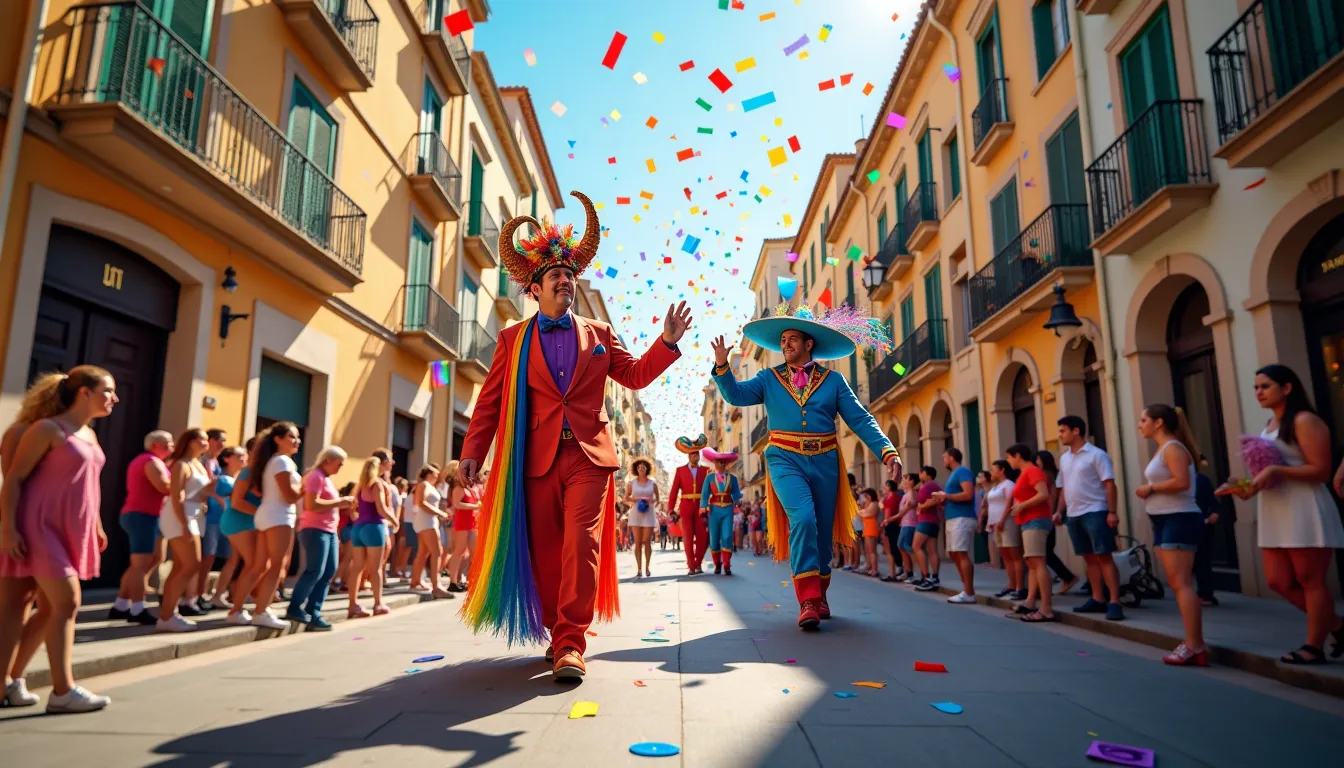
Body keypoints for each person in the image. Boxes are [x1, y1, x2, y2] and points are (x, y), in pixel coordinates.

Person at [457, 191, 689, 681]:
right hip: (533, 458)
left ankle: (569, 643)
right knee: (544, 550)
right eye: (555, 276)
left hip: (589, 456)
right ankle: (554, 628)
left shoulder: (600, 333)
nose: (565, 281)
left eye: (570, 276)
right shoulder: (511, 339)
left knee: (580, 544)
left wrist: (666, 343)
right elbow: (491, 402)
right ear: (535, 289)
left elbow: (635, 375)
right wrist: (473, 450)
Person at [710, 302, 900, 630]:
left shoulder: (834, 381)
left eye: (792, 339)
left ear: (808, 344)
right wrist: (722, 366)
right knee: (804, 518)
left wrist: (887, 450)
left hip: (826, 460)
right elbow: (737, 396)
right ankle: (808, 599)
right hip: (784, 458)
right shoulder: (767, 379)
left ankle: (821, 594)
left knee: (822, 532)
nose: (785, 345)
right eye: (782, 340)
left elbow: (860, 418)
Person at [0, 366, 117, 713]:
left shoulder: (90, 434)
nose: (115, 398)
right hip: (35, 526)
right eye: (107, 391)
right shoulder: (45, 429)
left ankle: (11, 681)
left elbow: (88, 483)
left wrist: (95, 523)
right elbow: (15, 479)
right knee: (64, 601)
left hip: (70, 529)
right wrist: (8, 528)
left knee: (43, 607)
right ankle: (63, 691)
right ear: (84, 392)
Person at [1218, 365, 1344, 664]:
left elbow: (1321, 470)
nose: (1259, 392)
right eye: (1256, 387)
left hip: (1304, 506)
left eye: (1265, 386)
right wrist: (1244, 486)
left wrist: (1273, 470)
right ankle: (1338, 626)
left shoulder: (1305, 420)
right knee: (1277, 580)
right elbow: (1269, 473)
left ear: (1287, 388)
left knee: (1310, 579)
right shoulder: (1269, 424)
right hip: (1275, 507)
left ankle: (1313, 646)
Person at [1136, 404, 1209, 665]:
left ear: (1158, 423)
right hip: (1165, 519)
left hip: (1179, 517)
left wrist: (1151, 488)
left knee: (1182, 584)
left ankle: (1195, 645)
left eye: (1143, 420)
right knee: (1178, 584)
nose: (1139, 424)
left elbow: (1182, 482)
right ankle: (1191, 642)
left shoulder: (1174, 448)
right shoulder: (1164, 449)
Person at [229, 422, 302, 630]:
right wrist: (306, 487)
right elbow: (289, 497)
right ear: (278, 440)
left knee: (259, 565)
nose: (297, 441)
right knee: (276, 565)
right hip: (279, 515)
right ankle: (261, 611)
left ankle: (237, 611)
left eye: (297, 437)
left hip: (267, 515)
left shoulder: (272, 461)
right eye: (292, 436)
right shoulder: (283, 462)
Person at [1056, 416, 1123, 622]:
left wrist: (1112, 511)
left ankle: (1115, 602)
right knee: (1088, 557)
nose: (1060, 435)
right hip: (1074, 513)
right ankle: (1097, 598)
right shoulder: (1065, 458)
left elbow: (1110, 485)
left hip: (1095, 510)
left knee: (1104, 556)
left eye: (1063, 431)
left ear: (1076, 431)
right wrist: (1059, 511)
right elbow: (1064, 487)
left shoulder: (1097, 455)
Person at [286, 447, 353, 630]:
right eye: (339, 463)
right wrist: (340, 502)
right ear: (328, 460)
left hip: (329, 530)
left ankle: (313, 611)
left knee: (328, 572)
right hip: (315, 529)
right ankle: (295, 607)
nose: (341, 467)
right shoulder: (315, 476)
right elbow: (311, 504)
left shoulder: (326, 479)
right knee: (315, 570)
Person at [112, 430, 172, 625]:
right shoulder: (151, 461)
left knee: (155, 558)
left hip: (150, 516)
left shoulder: (156, 462)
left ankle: (121, 604)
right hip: (141, 515)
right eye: (168, 443)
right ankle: (137, 608)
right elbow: (164, 486)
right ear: (156, 445)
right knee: (141, 564)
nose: (172, 446)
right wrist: (184, 484)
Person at [156, 428, 210, 632]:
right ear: (190, 442)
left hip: (194, 515)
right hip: (181, 516)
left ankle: (169, 614)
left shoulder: (199, 464)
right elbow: (176, 496)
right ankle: (168, 614)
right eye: (202, 439)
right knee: (191, 565)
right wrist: (184, 523)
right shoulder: (180, 464)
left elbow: (201, 490)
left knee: (181, 566)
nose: (206, 443)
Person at [1005, 444, 1056, 622]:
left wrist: (1022, 506)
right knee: (1032, 561)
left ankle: (1046, 608)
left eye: (1009, 457)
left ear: (1018, 455)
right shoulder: (1024, 474)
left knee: (1038, 561)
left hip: (1036, 519)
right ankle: (1030, 601)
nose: (1008, 461)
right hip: (1027, 520)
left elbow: (1043, 494)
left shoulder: (1033, 471)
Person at [349, 450, 396, 618]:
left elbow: (354, 508)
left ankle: (352, 605)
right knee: (376, 568)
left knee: (357, 568)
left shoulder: (361, 485)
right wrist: (394, 520)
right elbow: (381, 508)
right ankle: (378, 604)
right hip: (373, 527)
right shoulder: (377, 484)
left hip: (358, 528)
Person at [933, 448, 977, 603]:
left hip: (962, 517)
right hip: (953, 516)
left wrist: (946, 496)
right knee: (953, 553)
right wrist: (944, 501)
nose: (943, 460)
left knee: (961, 552)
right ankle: (966, 588)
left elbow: (968, 494)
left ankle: (969, 592)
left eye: (944, 457)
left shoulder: (962, 471)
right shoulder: (954, 474)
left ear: (951, 458)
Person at [1034, 450, 1078, 595]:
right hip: (1048, 516)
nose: (1037, 462)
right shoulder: (1049, 474)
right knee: (1045, 552)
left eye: (1039, 459)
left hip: (1046, 516)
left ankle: (1066, 577)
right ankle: (1057, 579)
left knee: (1044, 552)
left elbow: (1053, 496)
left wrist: (1053, 513)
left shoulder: (1047, 475)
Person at [195, 428, 229, 612]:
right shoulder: (202, 461)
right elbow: (208, 488)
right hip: (206, 517)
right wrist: (219, 500)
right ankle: (197, 594)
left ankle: (202, 593)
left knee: (210, 557)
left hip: (216, 517)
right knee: (205, 557)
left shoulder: (215, 463)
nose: (222, 444)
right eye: (220, 440)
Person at [408, 463, 452, 599]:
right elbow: (420, 502)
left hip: (428, 522)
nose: (438, 475)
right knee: (437, 552)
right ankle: (436, 585)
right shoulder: (424, 485)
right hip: (427, 522)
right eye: (435, 473)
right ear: (429, 474)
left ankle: (415, 581)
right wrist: (441, 513)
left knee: (423, 552)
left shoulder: (428, 486)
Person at [667, 436, 710, 575]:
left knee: (703, 537)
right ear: (688, 456)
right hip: (685, 506)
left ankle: (698, 563)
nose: (695, 455)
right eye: (693, 453)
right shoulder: (680, 470)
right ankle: (691, 566)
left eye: (697, 453)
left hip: (701, 506)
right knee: (688, 537)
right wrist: (670, 509)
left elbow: (711, 489)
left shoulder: (706, 470)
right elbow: (674, 491)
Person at [983, 460, 1023, 599]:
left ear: (1002, 470)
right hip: (996, 524)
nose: (991, 472)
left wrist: (1002, 520)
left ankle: (1019, 587)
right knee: (1005, 556)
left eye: (994, 469)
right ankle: (1011, 584)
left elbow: (1008, 503)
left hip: (1007, 522)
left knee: (1014, 555)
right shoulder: (995, 486)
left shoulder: (1009, 485)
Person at [699, 448, 743, 575]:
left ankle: (727, 565)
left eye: (724, 462)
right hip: (714, 510)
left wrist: (738, 500)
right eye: (719, 462)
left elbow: (736, 493)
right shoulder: (709, 478)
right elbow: (705, 494)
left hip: (728, 509)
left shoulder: (732, 478)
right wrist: (703, 507)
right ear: (714, 463)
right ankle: (717, 564)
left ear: (727, 464)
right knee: (714, 538)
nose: (721, 465)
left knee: (727, 536)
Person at [624, 456, 660, 578]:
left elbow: (657, 499)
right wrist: (635, 499)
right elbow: (625, 498)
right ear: (636, 469)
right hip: (635, 513)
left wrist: (651, 501)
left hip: (649, 513)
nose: (641, 469)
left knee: (646, 541)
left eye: (643, 467)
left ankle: (647, 567)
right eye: (639, 467)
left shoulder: (653, 483)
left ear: (647, 469)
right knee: (638, 542)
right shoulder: (631, 483)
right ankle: (639, 569)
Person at [446, 465, 480, 592]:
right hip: (462, 522)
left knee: (474, 552)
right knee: (459, 551)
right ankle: (453, 581)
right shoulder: (459, 488)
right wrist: (475, 506)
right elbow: (456, 504)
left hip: (471, 522)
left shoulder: (469, 489)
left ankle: (471, 581)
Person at [912, 466, 943, 592]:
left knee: (916, 546)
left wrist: (922, 507)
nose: (920, 474)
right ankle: (933, 577)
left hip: (926, 520)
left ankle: (926, 576)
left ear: (928, 474)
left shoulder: (930, 485)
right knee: (931, 550)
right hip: (931, 520)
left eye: (922, 472)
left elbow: (936, 499)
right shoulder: (930, 485)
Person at [896, 474, 919, 583]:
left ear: (912, 482)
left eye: (906, 479)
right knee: (901, 545)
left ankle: (916, 572)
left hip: (910, 523)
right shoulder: (907, 494)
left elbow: (905, 510)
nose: (904, 481)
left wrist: (891, 518)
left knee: (906, 546)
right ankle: (908, 571)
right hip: (905, 523)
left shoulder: (911, 494)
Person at [879, 479, 903, 582]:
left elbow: (887, 513)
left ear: (888, 487)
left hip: (890, 524)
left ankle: (892, 573)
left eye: (885, 486)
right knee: (895, 548)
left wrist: (884, 524)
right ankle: (898, 570)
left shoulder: (889, 498)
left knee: (889, 550)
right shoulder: (898, 497)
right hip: (896, 524)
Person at [857, 489, 881, 577]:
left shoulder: (874, 504)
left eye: (867, 496)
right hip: (867, 527)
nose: (865, 498)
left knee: (872, 551)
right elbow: (862, 514)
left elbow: (869, 514)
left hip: (872, 527)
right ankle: (870, 567)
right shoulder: (869, 504)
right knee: (868, 550)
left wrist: (861, 513)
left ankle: (875, 569)